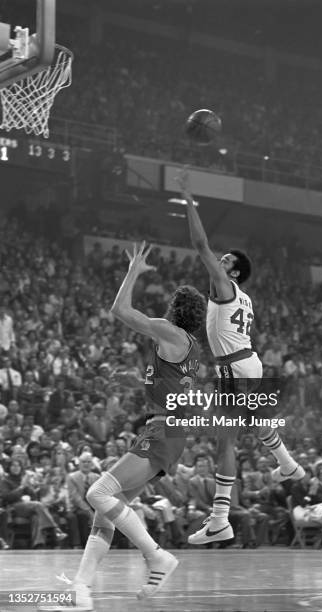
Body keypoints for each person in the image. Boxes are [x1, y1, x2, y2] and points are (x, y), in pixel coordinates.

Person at [39, 241, 206, 611]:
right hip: (170, 431)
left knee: (98, 493)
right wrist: (137, 384)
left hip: (164, 431)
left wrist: (133, 269)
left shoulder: (169, 333)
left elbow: (120, 310)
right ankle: (80, 593)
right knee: (104, 519)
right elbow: (171, 388)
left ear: (174, 310)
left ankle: (156, 555)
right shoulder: (189, 346)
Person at [176, 167, 303, 545]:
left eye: (226, 258)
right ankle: (288, 464)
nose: (220, 258)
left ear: (233, 270)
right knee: (255, 422)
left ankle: (219, 520)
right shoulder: (243, 298)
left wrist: (187, 197)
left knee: (225, 440)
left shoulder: (225, 286)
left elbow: (200, 245)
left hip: (234, 366)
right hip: (247, 361)